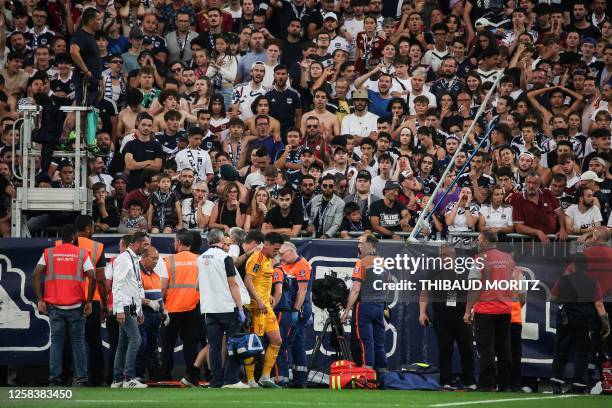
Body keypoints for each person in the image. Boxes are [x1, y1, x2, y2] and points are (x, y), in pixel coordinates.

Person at [32, 224, 95, 387]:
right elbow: (93, 277)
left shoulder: (49, 253)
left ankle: (54, 379)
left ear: (60, 236)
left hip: (55, 307)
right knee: (78, 343)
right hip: (76, 306)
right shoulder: (82, 254)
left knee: (57, 343)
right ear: (74, 236)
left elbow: (36, 274)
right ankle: (81, 379)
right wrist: (89, 301)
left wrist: (40, 299)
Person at [464, 231, 521, 392]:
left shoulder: (480, 259)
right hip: (505, 309)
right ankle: (505, 384)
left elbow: (474, 287)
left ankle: (486, 383)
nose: (477, 242)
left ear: (487, 242)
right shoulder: (509, 259)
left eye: (479, 240)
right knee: (504, 349)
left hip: (486, 309)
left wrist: (468, 310)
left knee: (485, 347)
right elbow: (513, 284)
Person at [551, 253, 611, 394]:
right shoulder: (593, 282)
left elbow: (553, 296)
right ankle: (578, 384)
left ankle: (556, 382)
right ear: (587, 267)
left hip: (565, 320)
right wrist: (605, 324)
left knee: (561, 351)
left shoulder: (564, 280)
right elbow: (599, 304)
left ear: (574, 266)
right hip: (585, 321)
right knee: (581, 354)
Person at [419, 244, 476, 390]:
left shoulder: (463, 270)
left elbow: (472, 290)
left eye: (446, 255)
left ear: (454, 255)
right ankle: (446, 381)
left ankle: (470, 381)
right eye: (441, 255)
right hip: (442, 316)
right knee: (445, 349)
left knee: (467, 349)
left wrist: (470, 310)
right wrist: (422, 312)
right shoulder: (434, 271)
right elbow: (425, 291)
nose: (443, 258)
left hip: (461, 315)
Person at [198, 229, 249, 388]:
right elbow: (233, 284)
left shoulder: (200, 259)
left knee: (214, 346)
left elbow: (197, 286)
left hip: (209, 309)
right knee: (235, 344)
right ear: (221, 241)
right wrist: (240, 308)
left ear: (208, 242)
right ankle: (232, 379)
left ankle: (216, 381)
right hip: (227, 307)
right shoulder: (225, 258)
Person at [161, 229, 203, 387]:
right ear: (190, 243)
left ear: (178, 242)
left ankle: (166, 375)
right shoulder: (199, 260)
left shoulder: (168, 261)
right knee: (190, 345)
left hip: (171, 308)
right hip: (193, 307)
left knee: (167, 345)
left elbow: (163, 288)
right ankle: (191, 376)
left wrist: (162, 305)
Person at [244, 232, 285, 388]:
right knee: (253, 343)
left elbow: (263, 282)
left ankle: (265, 377)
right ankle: (250, 380)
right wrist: (260, 300)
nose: (277, 253)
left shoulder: (268, 259)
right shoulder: (257, 258)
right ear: (266, 244)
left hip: (266, 306)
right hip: (256, 307)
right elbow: (248, 281)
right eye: (275, 249)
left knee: (277, 340)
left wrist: (268, 297)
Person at [341, 233, 387, 372]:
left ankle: (367, 373)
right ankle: (382, 373)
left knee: (365, 341)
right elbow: (388, 282)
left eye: (361, 243)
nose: (358, 246)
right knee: (379, 342)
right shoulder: (383, 261)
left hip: (364, 306)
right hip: (379, 305)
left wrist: (347, 310)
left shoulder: (361, 262)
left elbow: (355, 289)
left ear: (370, 245)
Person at [72, 215, 108, 387]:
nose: (94, 230)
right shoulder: (96, 247)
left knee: (68, 341)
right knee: (94, 342)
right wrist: (105, 303)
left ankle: (67, 377)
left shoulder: (60, 246)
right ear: (88, 228)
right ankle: (97, 379)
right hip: (91, 299)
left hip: (67, 300)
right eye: (93, 226)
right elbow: (100, 279)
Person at [111, 231, 150, 389]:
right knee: (136, 340)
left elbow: (136, 286)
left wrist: (139, 311)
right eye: (145, 244)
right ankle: (129, 378)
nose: (147, 247)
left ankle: (118, 379)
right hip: (125, 306)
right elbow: (117, 285)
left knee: (123, 343)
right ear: (136, 243)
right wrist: (119, 309)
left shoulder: (133, 259)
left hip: (131, 306)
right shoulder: (123, 259)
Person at [274, 241, 312, 388]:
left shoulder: (302, 264)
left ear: (291, 251)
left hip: (296, 310)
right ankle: (299, 379)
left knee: (285, 342)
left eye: (282, 254)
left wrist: (296, 311)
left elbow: (302, 291)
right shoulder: (287, 264)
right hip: (292, 309)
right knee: (297, 343)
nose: (281, 258)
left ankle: (283, 378)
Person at [135, 246, 164, 381]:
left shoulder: (155, 275)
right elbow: (132, 295)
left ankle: (151, 378)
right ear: (144, 257)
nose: (156, 261)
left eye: (157, 259)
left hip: (155, 317)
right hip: (142, 315)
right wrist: (148, 302)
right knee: (141, 346)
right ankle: (136, 376)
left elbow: (159, 297)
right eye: (153, 258)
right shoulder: (137, 274)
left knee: (152, 348)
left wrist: (165, 311)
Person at [70, 7, 102, 105]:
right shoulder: (81, 36)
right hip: (85, 82)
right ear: (90, 21)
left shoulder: (90, 37)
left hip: (92, 83)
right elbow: (73, 52)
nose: (100, 22)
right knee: (83, 112)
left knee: (90, 114)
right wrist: (86, 71)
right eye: (98, 19)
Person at [307, 174, 345, 238]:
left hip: (329, 240)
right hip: (313, 237)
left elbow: (336, 224)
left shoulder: (340, 203)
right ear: (321, 186)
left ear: (334, 187)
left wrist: (326, 235)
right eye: (325, 186)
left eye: (330, 186)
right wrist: (310, 225)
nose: (327, 188)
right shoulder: (314, 200)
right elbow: (310, 217)